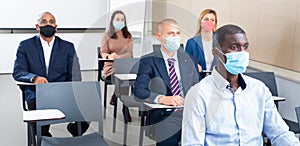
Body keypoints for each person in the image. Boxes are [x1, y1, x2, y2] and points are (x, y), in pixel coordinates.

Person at [182, 24, 300, 146]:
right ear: (216, 52)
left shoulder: (259, 90)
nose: (242, 53)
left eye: (245, 47)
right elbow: (192, 143)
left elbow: (280, 134)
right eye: (235, 47)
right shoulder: (199, 94)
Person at [13, 11, 89, 137]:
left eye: (51, 22)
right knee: (40, 129)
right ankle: (44, 137)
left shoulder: (68, 47)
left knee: (88, 106)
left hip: (62, 92)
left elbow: (75, 74)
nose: (48, 24)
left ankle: (74, 130)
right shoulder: (25, 46)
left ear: (56, 27)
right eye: (44, 22)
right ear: (37, 27)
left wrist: (72, 92)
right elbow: (18, 72)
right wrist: (34, 78)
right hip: (37, 93)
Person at [133, 19, 200, 146]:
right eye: (170, 33)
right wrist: (162, 98)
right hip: (166, 116)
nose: (175, 37)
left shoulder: (190, 60)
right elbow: (138, 91)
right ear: (159, 37)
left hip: (191, 113)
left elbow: (199, 88)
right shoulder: (149, 61)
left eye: (177, 33)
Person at [101, 10, 133, 122]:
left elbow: (129, 53)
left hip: (124, 65)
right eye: (118, 19)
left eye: (122, 19)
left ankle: (118, 99)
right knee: (122, 76)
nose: (120, 21)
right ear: (112, 21)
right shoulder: (107, 35)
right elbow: (103, 52)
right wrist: (110, 56)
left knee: (126, 75)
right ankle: (125, 106)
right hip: (111, 67)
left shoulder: (128, 36)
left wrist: (120, 57)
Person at [185, 9, 218, 77]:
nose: (209, 22)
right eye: (206, 19)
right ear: (200, 22)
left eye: (212, 20)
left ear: (215, 23)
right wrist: (194, 66)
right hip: (198, 81)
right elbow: (186, 63)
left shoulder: (221, 42)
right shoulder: (191, 43)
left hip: (216, 82)